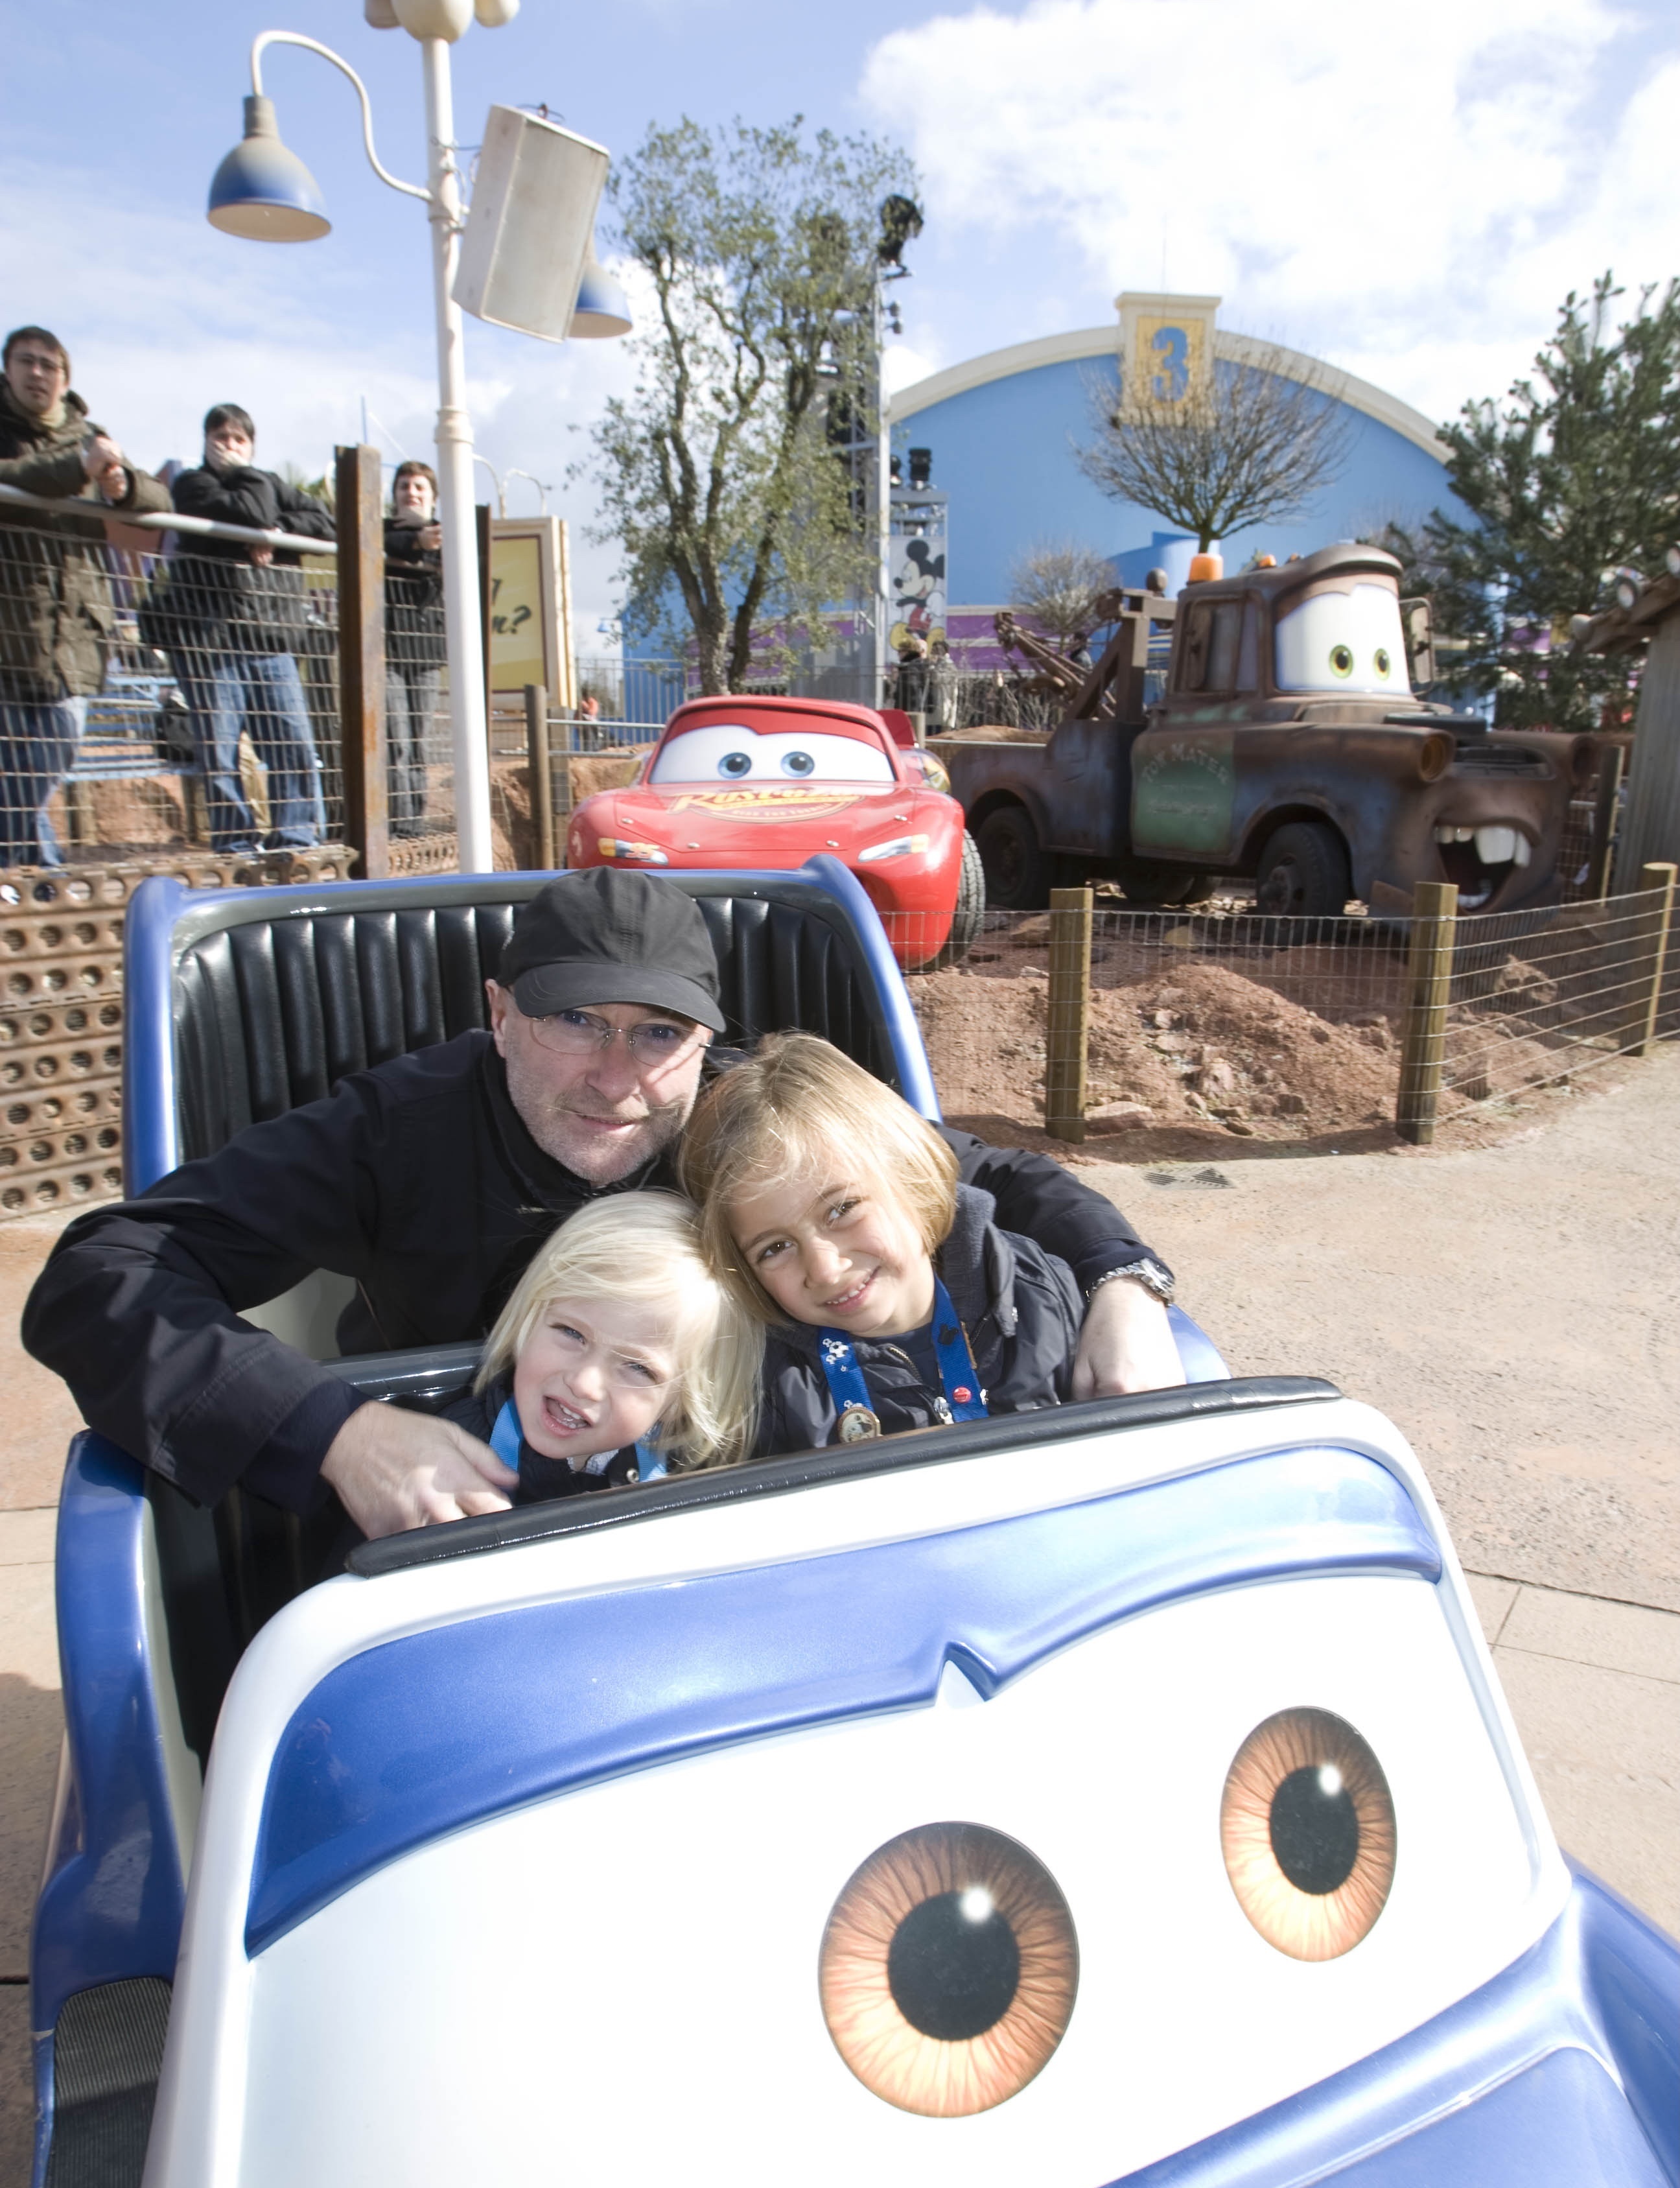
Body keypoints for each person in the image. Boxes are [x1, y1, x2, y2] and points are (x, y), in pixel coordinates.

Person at [23, 869, 1182, 1543]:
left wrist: (1125, 1286)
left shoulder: (744, 1117)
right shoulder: (394, 1130)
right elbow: (104, 1269)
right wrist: (339, 1431)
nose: (616, 1077)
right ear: (498, 1012)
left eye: (657, 1035)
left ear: (703, 1039)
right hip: (472, 1514)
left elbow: (988, 1178)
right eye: (573, 1020)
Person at [683, 1033, 1082, 1451]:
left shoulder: (1041, 1295)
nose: (825, 1269)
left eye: (841, 1209)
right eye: (774, 1248)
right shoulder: (762, 1395)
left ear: (911, 1178)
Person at [441, 1190, 759, 1505]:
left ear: (681, 1403)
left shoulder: (683, 1472)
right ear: (528, 1319)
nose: (583, 1384)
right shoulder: (450, 1454)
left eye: (638, 1367)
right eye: (572, 1333)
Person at [0, 325, 169, 868]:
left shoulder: (90, 434)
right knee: (13, 762)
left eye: (49, 366)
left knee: (54, 752)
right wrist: (79, 469)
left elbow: (158, 495)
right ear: (7, 369)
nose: (37, 374)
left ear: (66, 378)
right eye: (25, 362)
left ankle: (24, 872)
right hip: (9, 626)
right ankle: (37, 878)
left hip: (75, 631)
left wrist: (122, 487)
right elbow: (16, 478)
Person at [165, 406, 334, 853]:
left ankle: (295, 838)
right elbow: (248, 511)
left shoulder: (270, 485)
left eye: (239, 440)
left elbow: (325, 523)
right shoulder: (191, 484)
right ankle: (235, 843)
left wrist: (275, 530)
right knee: (220, 754)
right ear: (204, 441)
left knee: (293, 745)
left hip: (271, 641)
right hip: (209, 644)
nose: (229, 446)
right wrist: (256, 512)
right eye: (220, 437)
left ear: (253, 446)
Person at [384, 460, 445, 838]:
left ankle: (414, 826)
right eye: (405, 486)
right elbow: (381, 543)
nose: (412, 493)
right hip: (387, 653)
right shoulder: (378, 531)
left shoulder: (446, 537)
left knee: (418, 745)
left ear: (433, 497)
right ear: (394, 495)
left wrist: (432, 544)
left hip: (426, 655)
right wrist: (415, 543)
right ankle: (396, 825)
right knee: (396, 742)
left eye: (420, 487)